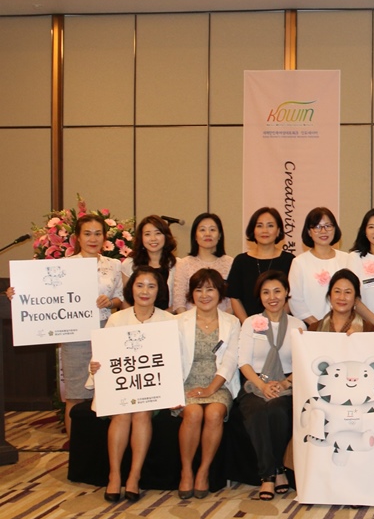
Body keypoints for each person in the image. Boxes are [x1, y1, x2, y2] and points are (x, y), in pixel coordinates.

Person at [16, 214, 126, 437]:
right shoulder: (64, 266)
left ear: (105, 237)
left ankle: (101, 449)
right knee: (75, 395)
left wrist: (110, 302)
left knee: (108, 394)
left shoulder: (114, 265)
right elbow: (41, 293)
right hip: (75, 335)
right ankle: (76, 449)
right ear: (77, 238)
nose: (93, 239)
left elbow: (121, 298)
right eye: (87, 234)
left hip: (106, 332)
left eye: (98, 234)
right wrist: (16, 293)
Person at [89, 266, 175, 503]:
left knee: (142, 412)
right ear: (131, 289)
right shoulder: (117, 319)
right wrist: (95, 366)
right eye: (140, 285)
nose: (145, 291)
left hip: (153, 391)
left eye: (151, 286)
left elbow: (175, 360)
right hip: (121, 389)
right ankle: (115, 475)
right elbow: (103, 355)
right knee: (122, 413)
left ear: (159, 291)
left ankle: (134, 476)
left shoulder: (169, 321)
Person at [237, 271, 306, 500]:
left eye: (277, 291)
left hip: (287, 381)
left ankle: (276, 468)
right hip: (255, 382)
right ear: (260, 296)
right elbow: (243, 362)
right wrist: (262, 385)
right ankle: (270, 474)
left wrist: (285, 382)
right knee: (258, 411)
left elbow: (303, 361)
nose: (272, 297)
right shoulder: (251, 323)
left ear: (286, 292)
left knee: (277, 410)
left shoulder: (298, 325)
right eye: (266, 292)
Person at [175, 268, 241, 500]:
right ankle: (186, 471)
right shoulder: (178, 322)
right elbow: (170, 359)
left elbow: (231, 360)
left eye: (210, 289)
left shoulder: (232, 322)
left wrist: (211, 389)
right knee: (193, 413)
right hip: (187, 382)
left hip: (218, 384)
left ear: (220, 293)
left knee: (214, 413)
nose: (204, 295)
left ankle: (203, 471)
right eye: (198, 289)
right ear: (191, 294)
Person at [227, 207, 295, 321]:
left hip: (282, 324)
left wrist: (276, 322)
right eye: (259, 226)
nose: (264, 230)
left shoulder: (290, 260)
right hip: (248, 325)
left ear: (278, 230)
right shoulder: (241, 261)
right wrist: (247, 324)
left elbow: (292, 296)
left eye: (270, 225)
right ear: (253, 230)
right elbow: (235, 298)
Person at [288, 207, 349, 327]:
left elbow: (354, 296)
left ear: (335, 229)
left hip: (344, 329)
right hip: (311, 329)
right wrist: (319, 326)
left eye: (328, 226)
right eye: (317, 227)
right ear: (309, 232)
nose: (323, 231)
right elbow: (295, 301)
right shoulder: (299, 262)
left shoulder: (347, 259)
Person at [171, 213, 233, 314]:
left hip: (224, 320)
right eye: (202, 230)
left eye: (212, 229)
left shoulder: (230, 263)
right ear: (195, 236)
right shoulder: (184, 264)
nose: (207, 234)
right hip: (190, 320)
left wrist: (224, 321)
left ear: (220, 235)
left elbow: (232, 301)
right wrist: (188, 321)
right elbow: (179, 301)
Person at [121, 214, 176, 299]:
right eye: (147, 234)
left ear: (166, 236)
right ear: (141, 238)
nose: (153, 238)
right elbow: (125, 300)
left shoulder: (177, 265)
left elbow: (180, 301)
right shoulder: (129, 264)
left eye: (158, 233)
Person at [313, 269, 372, 333]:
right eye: (337, 291)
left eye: (348, 292)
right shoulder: (314, 328)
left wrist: (358, 336)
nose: (342, 297)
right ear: (330, 296)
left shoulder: (368, 329)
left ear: (355, 299)